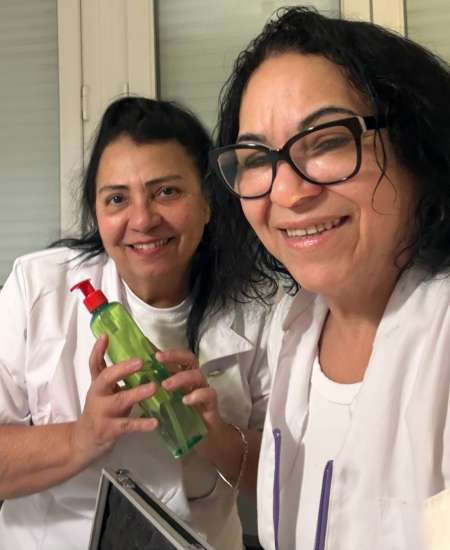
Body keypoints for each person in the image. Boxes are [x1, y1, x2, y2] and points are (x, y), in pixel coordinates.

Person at [209, 6, 450, 550]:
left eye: (327, 141)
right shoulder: (295, 324)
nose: (287, 193)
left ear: (416, 146)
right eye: (256, 158)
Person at [0, 97, 275, 550]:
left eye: (167, 192)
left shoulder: (259, 306)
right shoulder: (38, 287)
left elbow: (293, 477)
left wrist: (217, 437)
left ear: (208, 202)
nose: (143, 220)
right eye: (117, 199)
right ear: (97, 213)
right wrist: (80, 438)